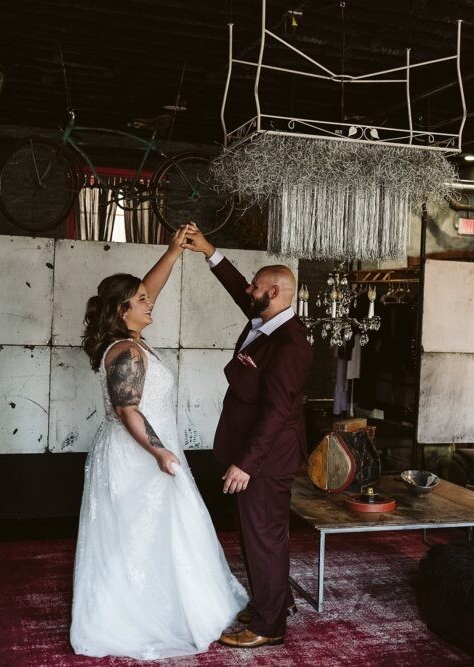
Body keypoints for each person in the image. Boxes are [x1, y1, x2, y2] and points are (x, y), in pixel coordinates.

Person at [70, 229, 248, 660]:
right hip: (137, 457)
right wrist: (160, 451)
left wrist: (173, 252)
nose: (151, 302)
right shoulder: (126, 352)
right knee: (137, 538)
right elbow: (127, 408)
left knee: (167, 532)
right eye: (141, 301)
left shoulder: (131, 339)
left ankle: (175, 605)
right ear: (122, 310)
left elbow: (148, 288)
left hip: (147, 454)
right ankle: (138, 614)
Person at [180, 222, 313, 648]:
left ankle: (269, 624)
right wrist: (208, 250)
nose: (248, 292)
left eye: (255, 287)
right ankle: (280, 600)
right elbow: (240, 287)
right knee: (264, 535)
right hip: (257, 450)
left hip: (267, 458)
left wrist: (245, 464)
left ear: (273, 293)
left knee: (262, 538)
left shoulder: (290, 345)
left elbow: (276, 413)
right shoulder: (267, 318)